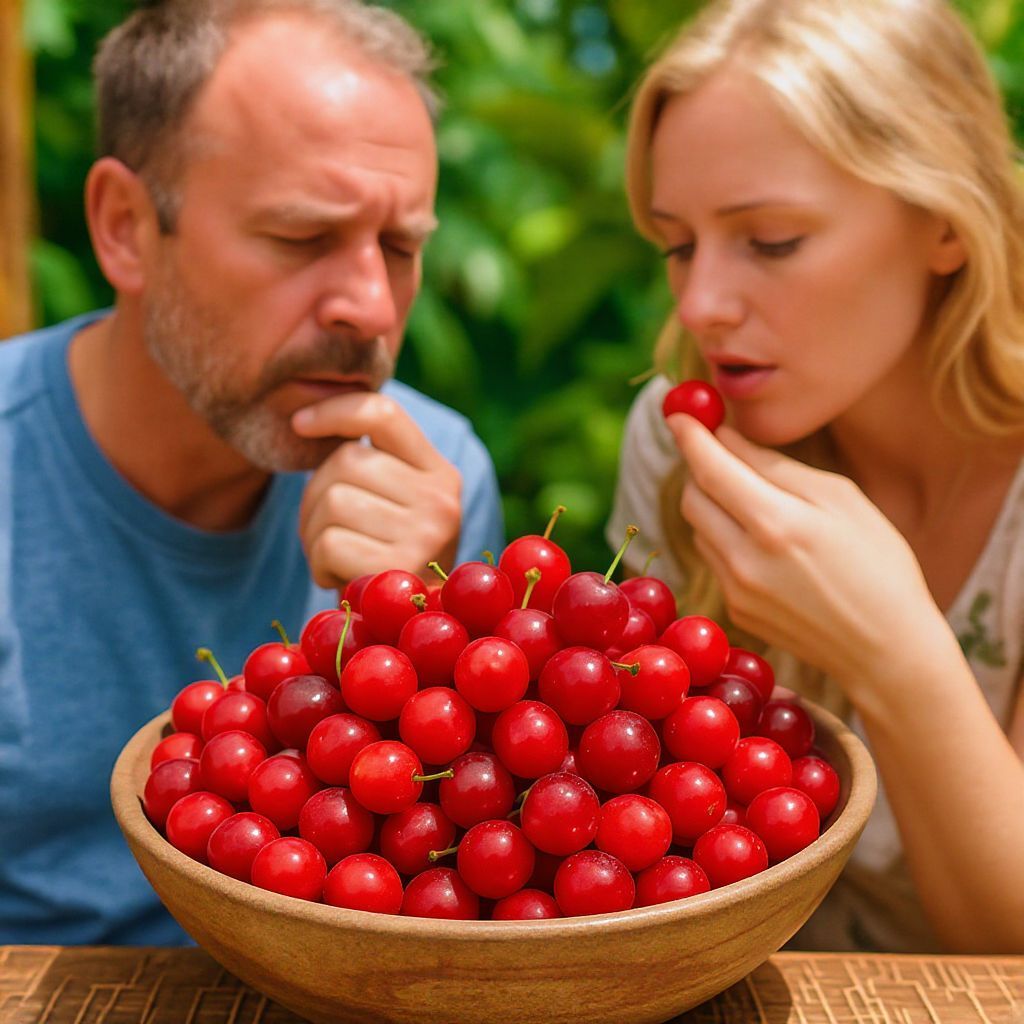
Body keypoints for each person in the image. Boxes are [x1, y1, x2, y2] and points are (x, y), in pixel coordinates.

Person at [0, 0, 504, 945]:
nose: (368, 305)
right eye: (303, 237)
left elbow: (454, 901)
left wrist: (428, 626)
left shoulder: (434, 482)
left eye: (401, 247)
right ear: (124, 227)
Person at [608, 0, 1024, 953]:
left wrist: (899, 660)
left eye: (773, 241)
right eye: (678, 244)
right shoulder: (683, 452)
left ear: (946, 223)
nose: (702, 305)